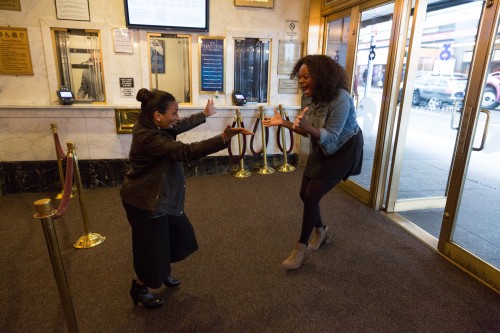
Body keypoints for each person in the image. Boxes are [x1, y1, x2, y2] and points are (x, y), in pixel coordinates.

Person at [120, 88, 253, 308]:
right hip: (146, 202)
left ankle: (163, 271)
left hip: (160, 196)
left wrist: (204, 114)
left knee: (177, 236)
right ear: (158, 116)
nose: (177, 117)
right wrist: (222, 138)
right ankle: (140, 286)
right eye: (174, 112)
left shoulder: (153, 126)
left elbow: (177, 127)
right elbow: (186, 152)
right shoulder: (149, 137)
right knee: (151, 250)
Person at [263, 55, 363, 270]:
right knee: (304, 193)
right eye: (299, 77)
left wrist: (307, 127)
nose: (301, 81)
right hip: (323, 145)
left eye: (306, 76)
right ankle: (322, 231)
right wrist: (284, 122)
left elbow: (332, 135)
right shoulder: (309, 98)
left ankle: (299, 249)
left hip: (344, 149)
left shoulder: (342, 99)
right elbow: (306, 129)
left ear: (321, 76)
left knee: (312, 194)